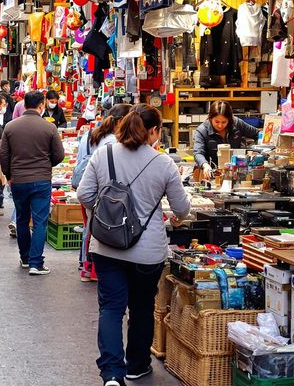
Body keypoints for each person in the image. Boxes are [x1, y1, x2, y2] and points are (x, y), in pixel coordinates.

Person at [76, 104, 190, 385]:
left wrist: (105, 217)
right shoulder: (163, 163)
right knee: (141, 307)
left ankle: (112, 373)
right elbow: (182, 208)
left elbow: (84, 193)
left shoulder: (104, 153)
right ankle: (136, 365)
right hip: (147, 252)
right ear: (154, 131)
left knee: (111, 308)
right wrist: (174, 218)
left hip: (106, 247)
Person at [0, 91, 64, 275]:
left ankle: (25, 258)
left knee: (21, 219)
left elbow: (3, 155)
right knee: (39, 222)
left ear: (24, 105)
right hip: (41, 181)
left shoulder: (10, 127)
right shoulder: (49, 127)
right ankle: (36, 263)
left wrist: (9, 175)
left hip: (18, 180)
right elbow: (59, 155)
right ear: (41, 105)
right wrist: (45, 165)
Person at [71, 104, 133, 282]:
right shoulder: (113, 143)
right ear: (121, 121)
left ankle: (85, 266)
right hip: (102, 193)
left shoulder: (89, 135)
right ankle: (92, 269)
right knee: (100, 229)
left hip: (86, 188)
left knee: (89, 227)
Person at [193, 100, 259, 176]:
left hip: (237, 172)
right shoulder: (202, 130)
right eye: (217, 122)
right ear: (210, 118)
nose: (220, 126)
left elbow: (257, 134)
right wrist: (205, 165)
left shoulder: (237, 124)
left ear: (229, 119)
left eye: (224, 122)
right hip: (213, 173)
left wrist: (252, 152)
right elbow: (198, 153)